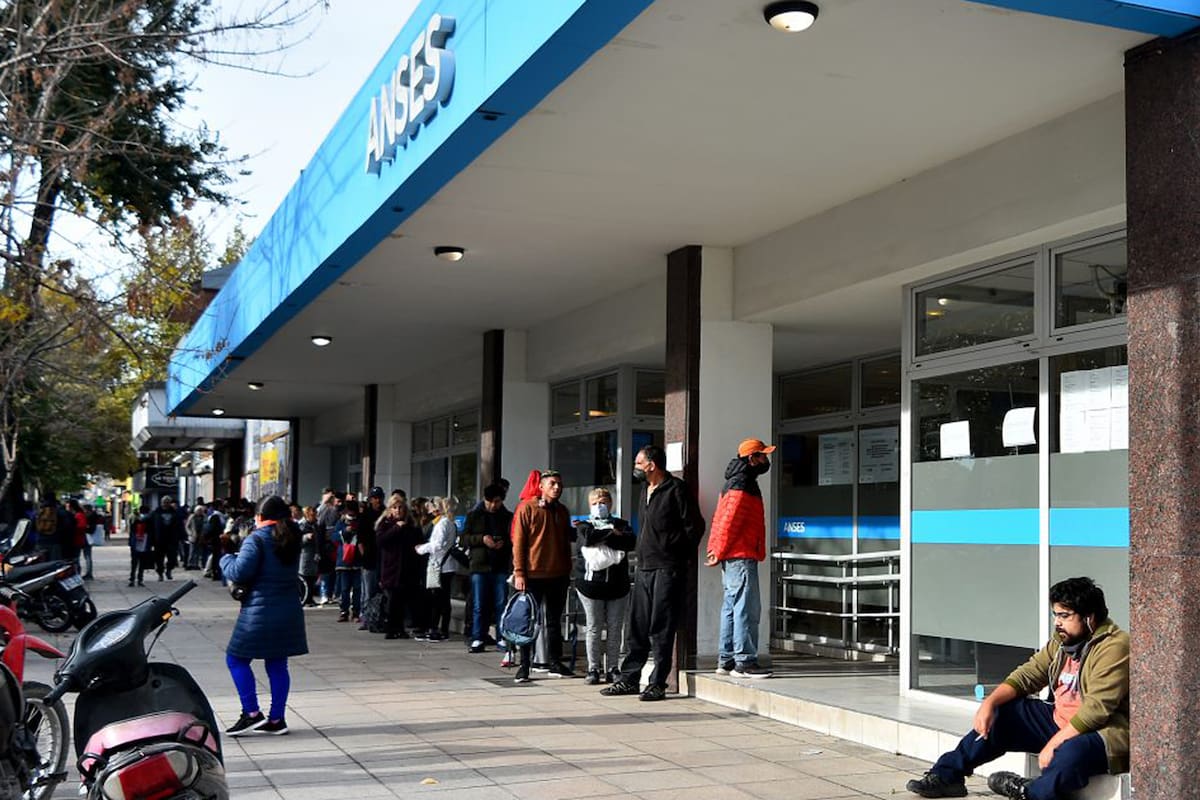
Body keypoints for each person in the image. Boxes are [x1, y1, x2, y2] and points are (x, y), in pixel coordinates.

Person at [905, 577, 1128, 800]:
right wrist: (990, 703)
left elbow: (1097, 710)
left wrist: (1055, 742)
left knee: (1071, 754)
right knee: (1003, 714)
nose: (1057, 623)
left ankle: (1026, 791)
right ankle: (946, 776)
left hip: (1102, 732)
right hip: (1058, 721)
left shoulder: (1115, 646)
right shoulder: (1062, 641)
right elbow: (1029, 674)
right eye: (1055, 615)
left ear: (1089, 618)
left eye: (1064, 616)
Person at [601, 444, 705, 701]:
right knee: (637, 626)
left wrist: (677, 553)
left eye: (638, 463)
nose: (635, 468)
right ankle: (629, 679)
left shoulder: (676, 489)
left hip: (668, 568)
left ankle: (658, 682)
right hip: (645, 566)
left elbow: (695, 527)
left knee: (661, 626)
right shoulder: (644, 491)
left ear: (652, 465)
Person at [220, 495, 308, 736]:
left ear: (259, 517)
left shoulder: (256, 540)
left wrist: (226, 557)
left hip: (259, 612)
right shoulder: (293, 538)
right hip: (288, 610)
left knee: (236, 660)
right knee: (278, 664)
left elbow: (240, 572)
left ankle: (251, 713)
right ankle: (277, 719)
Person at [705, 437, 775, 679]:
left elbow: (722, 519)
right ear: (751, 458)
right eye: (763, 455)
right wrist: (718, 550)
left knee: (731, 608)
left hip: (734, 555)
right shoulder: (743, 483)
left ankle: (726, 660)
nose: (766, 460)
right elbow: (728, 521)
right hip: (741, 555)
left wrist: (716, 550)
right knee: (746, 608)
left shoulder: (736, 481)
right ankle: (744, 661)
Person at [511, 469, 574, 683]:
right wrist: (520, 572)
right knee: (528, 620)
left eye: (559, 484)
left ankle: (555, 662)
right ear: (541, 486)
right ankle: (524, 665)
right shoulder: (526, 508)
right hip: (533, 574)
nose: (557, 487)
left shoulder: (563, 511)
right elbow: (518, 543)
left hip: (559, 574)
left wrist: (568, 568)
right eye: (552, 484)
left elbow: (566, 541)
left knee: (554, 621)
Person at [573, 487, 634, 685]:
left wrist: (607, 536)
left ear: (610, 504)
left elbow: (628, 542)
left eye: (604, 503)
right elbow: (588, 539)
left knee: (616, 627)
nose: (600, 506)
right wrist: (610, 533)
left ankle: (613, 667)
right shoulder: (583, 525)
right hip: (590, 587)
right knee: (594, 627)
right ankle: (593, 668)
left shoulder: (622, 524)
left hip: (618, 586)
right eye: (595, 503)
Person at [460, 484, 513, 653]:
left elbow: (512, 538)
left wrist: (503, 543)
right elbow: (464, 539)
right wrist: (482, 539)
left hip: (500, 565)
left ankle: (502, 637)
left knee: (501, 604)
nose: (493, 505)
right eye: (490, 502)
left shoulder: (507, 516)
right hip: (479, 565)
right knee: (479, 604)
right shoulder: (474, 515)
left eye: (497, 502)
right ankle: (477, 637)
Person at [376, 494, 424, 640]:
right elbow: (381, 541)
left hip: (407, 568)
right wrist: (396, 528)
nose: (397, 510)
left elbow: (418, 542)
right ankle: (391, 628)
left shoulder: (411, 524)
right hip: (391, 568)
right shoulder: (385, 524)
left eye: (400, 507)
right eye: (394, 508)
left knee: (403, 600)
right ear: (390, 509)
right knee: (392, 600)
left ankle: (400, 628)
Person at [416, 496, 458, 642]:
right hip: (446, 565)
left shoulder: (442, 524)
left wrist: (421, 549)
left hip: (441, 565)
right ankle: (440, 629)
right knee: (443, 599)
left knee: (438, 599)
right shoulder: (449, 522)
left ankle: (437, 629)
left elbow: (437, 544)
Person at [358, 487, 385, 629]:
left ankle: (378, 617)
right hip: (369, 557)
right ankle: (366, 617)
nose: (377, 500)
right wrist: (364, 554)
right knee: (368, 590)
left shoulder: (385, 513)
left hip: (383, 557)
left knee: (380, 591)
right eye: (375, 498)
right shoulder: (366, 515)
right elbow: (360, 538)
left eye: (379, 497)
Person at [331, 499, 362, 623]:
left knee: (357, 588)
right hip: (344, 560)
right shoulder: (341, 522)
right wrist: (344, 532)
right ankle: (344, 611)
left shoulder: (360, 522)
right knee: (344, 588)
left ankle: (356, 612)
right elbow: (334, 537)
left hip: (357, 560)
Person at [153, 496, 184, 580]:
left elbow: (180, 525)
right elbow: (150, 524)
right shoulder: (156, 512)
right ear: (161, 503)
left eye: (167, 502)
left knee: (172, 558)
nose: (166, 504)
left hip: (172, 539)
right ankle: (160, 574)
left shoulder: (175, 513)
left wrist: (181, 536)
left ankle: (169, 570)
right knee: (159, 559)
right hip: (159, 540)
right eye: (164, 502)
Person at [127, 503, 154, 587]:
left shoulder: (134, 519)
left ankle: (132, 579)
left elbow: (131, 531)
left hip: (136, 542)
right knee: (142, 562)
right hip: (144, 542)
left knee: (134, 562)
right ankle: (140, 579)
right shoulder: (149, 520)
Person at [297, 505, 319, 607]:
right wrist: (306, 537)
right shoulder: (302, 525)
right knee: (304, 577)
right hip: (305, 554)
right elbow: (297, 539)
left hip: (314, 554)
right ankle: (304, 597)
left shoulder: (315, 525)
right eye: (312, 514)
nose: (314, 516)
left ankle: (310, 597)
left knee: (312, 578)